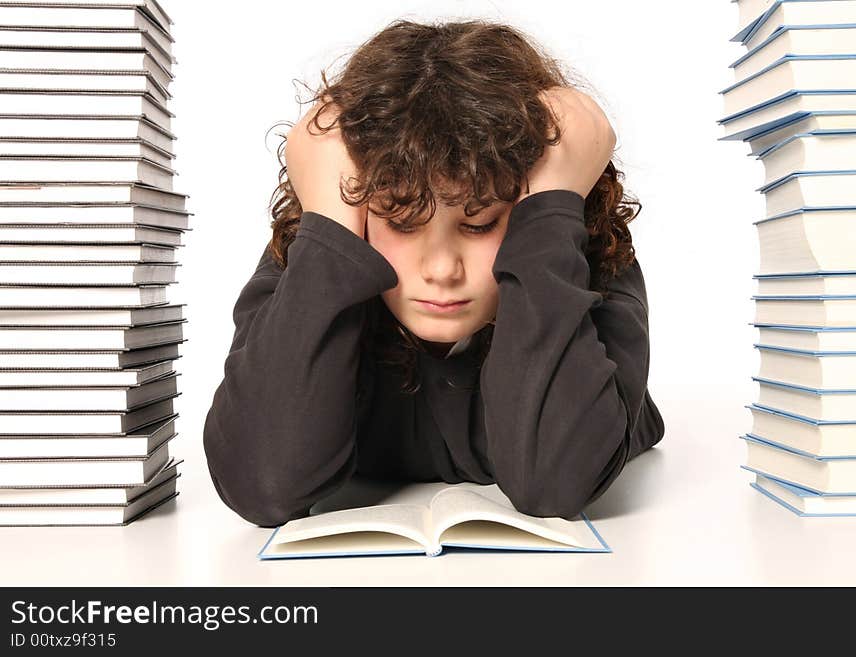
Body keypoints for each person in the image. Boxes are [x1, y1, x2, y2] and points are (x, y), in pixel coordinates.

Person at [203, 19, 665, 528]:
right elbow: (262, 486)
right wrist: (330, 228)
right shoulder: (313, 263)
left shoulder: (576, 259)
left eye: (480, 223)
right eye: (401, 222)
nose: (442, 269)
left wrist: (553, 209)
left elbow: (554, 483)